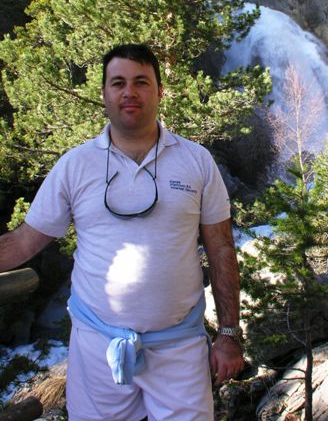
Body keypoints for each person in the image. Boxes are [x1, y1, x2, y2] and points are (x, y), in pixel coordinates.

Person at [0, 43, 245, 421]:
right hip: (97, 349)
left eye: (141, 82)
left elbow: (222, 249)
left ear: (160, 91)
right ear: (104, 93)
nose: (129, 92)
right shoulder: (75, 165)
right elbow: (23, 242)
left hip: (179, 348)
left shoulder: (197, 161)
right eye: (118, 83)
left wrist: (228, 335)